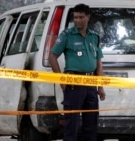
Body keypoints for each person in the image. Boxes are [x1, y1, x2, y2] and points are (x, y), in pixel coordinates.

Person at [48, 4, 106, 141]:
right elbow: (52, 56)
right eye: (75, 17)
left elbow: (98, 63)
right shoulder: (67, 35)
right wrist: (62, 81)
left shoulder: (94, 37)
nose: (78, 20)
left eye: (81, 17)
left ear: (88, 17)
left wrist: (100, 86)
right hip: (74, 84)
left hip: (91, 84)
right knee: (71, 125)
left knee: (91, 125)